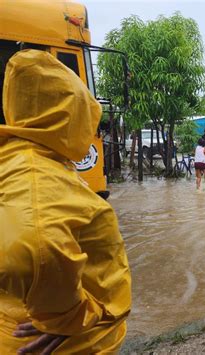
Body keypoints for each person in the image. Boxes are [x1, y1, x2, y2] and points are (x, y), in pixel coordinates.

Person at [0, 50, 131, 354]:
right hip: (70, 342)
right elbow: (31, 249)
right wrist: (67, 316)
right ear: (67, 115)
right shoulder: (34, 174)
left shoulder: (18, 160)